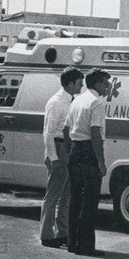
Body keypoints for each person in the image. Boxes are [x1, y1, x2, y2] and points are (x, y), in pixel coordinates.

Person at [62, 68, 112, 257]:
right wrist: (100, 161)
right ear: (98, 84)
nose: (108, 87)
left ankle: (72, 243)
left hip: (75, 150)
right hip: (89, 152)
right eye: (106, 84)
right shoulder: (96, 103)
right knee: (90, 201)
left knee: (75, 199)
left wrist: (70, 151)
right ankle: (86, 246)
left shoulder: (77, 100)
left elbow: (66, 130)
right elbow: (95, 134)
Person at [39, 67, 85, 248]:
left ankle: (62, 233)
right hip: (58, 147)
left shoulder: (72, 101)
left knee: (65, 195)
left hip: (67, 146)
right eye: (80, 83)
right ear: (71, 83)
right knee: (53, 195)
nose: (81, 87)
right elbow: (48, 132)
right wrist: (53, 156)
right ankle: (47, 235)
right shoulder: (56, 102)